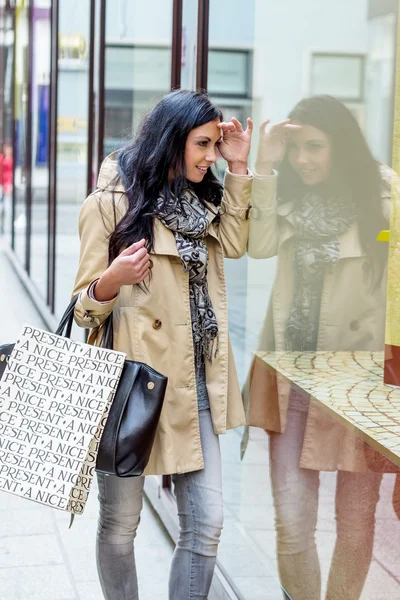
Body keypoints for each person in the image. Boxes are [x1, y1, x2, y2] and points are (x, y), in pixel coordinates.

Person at [72, 89, 253, 600]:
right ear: (172, 141)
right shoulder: (109, 205)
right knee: (119, 527)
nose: (210, 156)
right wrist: (112, 278)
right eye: (204, 144)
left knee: (207, 523)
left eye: (216, 145)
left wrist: (239, 168)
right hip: (132, 387)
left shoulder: (203, 199)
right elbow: (83, 308)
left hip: (195, 382)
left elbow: (239, 245)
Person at [244, 95, 398, 600]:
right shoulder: (286, 194)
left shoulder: (382, 197)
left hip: (361, 382)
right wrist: (265, 162)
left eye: (315, 147)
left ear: (341, 146)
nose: (303, 159)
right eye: (296, 149)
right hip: (292, 377)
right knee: (291, 522)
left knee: (355, 525)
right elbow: (259, 244)